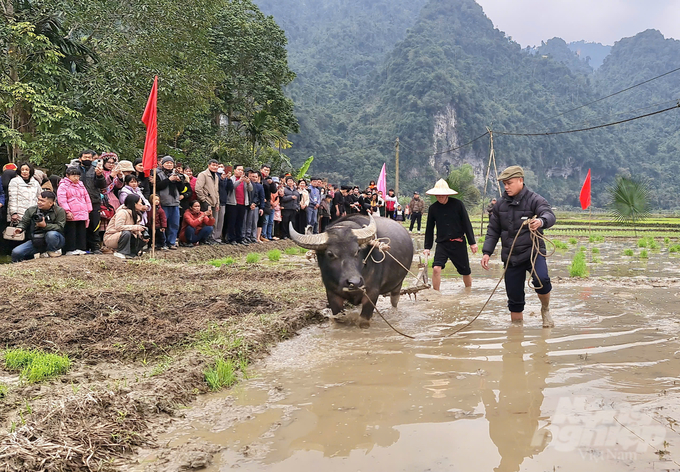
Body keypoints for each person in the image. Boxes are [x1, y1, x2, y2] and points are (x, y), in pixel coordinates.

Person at [481, 166, 556, 327]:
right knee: (514, 299)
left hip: (533, 252)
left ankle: (545, 308)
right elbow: (493, 230)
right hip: (511, 256)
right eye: (504, 184)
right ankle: (516, 333)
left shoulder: (535, 199)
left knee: (541, 279)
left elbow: (548, 214)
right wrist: (487, 252)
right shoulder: (500, 205)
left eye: (509, 183)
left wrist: (541, 221)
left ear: (521, 181)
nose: (506, 187)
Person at [423, 179, 478, 290]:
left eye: (442, 195)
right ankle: (436, 294)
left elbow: (466, 223)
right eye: (438, 195)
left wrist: (472, 243)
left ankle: (468, 292)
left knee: (465, 271)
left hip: (458, 242)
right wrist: (427, 247)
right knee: (436, 268)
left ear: (447, 194)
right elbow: (429, 229)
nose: (440, 197)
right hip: (442, 243)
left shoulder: (458, 205)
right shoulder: (433, 208)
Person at [10, 191, 66, 261]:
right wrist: (20, 228)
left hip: (55, 240)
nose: (39, 202)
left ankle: (53, 251)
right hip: (37, 240)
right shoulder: (31, 210)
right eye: (38, 200)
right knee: (16, 252)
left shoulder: (59, 211)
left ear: (50, 203)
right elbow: (24, 222)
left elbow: (60, 227)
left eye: (42, 201)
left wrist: (45, 226)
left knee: (51, 234)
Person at [76, 150, 107, 254]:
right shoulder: (74, 170)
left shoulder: (96, 170)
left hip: (94, 200)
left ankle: (95, 247)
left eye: (89, 157)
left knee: (94, 224)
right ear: (80, 159)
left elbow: (102, 185)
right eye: (85, 157)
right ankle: (81, 247)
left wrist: (99, 175)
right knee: (81, 225)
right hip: (78, 202)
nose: (87, 159)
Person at [58, 167, 93, 256]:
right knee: (71, 231)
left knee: (81, 230)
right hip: (72, 212)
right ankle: (70, 249)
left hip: (82, 211)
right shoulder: (63, 186)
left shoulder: (81, 185)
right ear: (67, 175)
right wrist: (67, 211)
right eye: (73, 175)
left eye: (78, 176)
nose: (76, 178)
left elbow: (86, 197)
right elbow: (62, 199)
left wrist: (89, 208)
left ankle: (80, 248)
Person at [103, 194, 148, 259]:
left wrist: (142, 236)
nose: (142, 205)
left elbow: (135, 231)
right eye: (140, 203)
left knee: (140, 239)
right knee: (126, 233)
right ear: (134, 204)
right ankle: (121, 252)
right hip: (111, 237)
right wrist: (135, 227)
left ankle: (132, 253)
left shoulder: (137, 214)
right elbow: (118, 227)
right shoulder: (122, 212)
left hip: (125, 235)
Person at [155, 156, 184, 249]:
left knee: (174, 224)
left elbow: (182, 189)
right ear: (162, 164)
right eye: (167, 163)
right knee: (163, 224)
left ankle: (171, 242)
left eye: (171, 163)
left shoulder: (176, 174)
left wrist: (179, 181)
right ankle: (162, 243)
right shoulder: (158, 174)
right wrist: (169, 180)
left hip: (175, 202)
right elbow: (157, 186)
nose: (169, 165)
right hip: (163, 202)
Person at [224, 165, 252, 245]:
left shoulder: (244, 180)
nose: (240, 171)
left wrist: (248, 182)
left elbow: (250, 189)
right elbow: (232, 187)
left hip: (242, 203)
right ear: (234, 170)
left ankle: (239, 238)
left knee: (240, 222)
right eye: (239, 169)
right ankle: (231, 238)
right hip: (232, 203)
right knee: (232, 222)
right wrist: (240, 180)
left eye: (242, 170)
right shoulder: (231, 179)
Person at [195, 159, 221, 242]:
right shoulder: (203, 175)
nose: (215, 167)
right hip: (206, 201)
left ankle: (210, 238)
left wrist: (217, 203)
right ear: (209, 165)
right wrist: (203, 200)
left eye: (216, 165)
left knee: (212, 221)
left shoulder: (216, 176)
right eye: (213, 165)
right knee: (205, 221)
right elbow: (198, 188)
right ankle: (203, 239)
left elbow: (216, 191)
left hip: (214, 202)